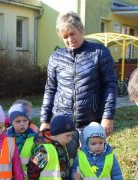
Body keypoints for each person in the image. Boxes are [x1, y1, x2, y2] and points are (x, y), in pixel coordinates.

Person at [39, 10, 117, 161]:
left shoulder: (100, 53)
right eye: (65, 37)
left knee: (94, 166)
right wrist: (45, 120)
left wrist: (108, 117)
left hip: (91, 122)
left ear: (81, 29)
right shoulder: (56, 58)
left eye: (72, 33)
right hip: (63, 124)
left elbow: (110, 86)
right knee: (65, 167)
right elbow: (50, 90)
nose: (70, 39)